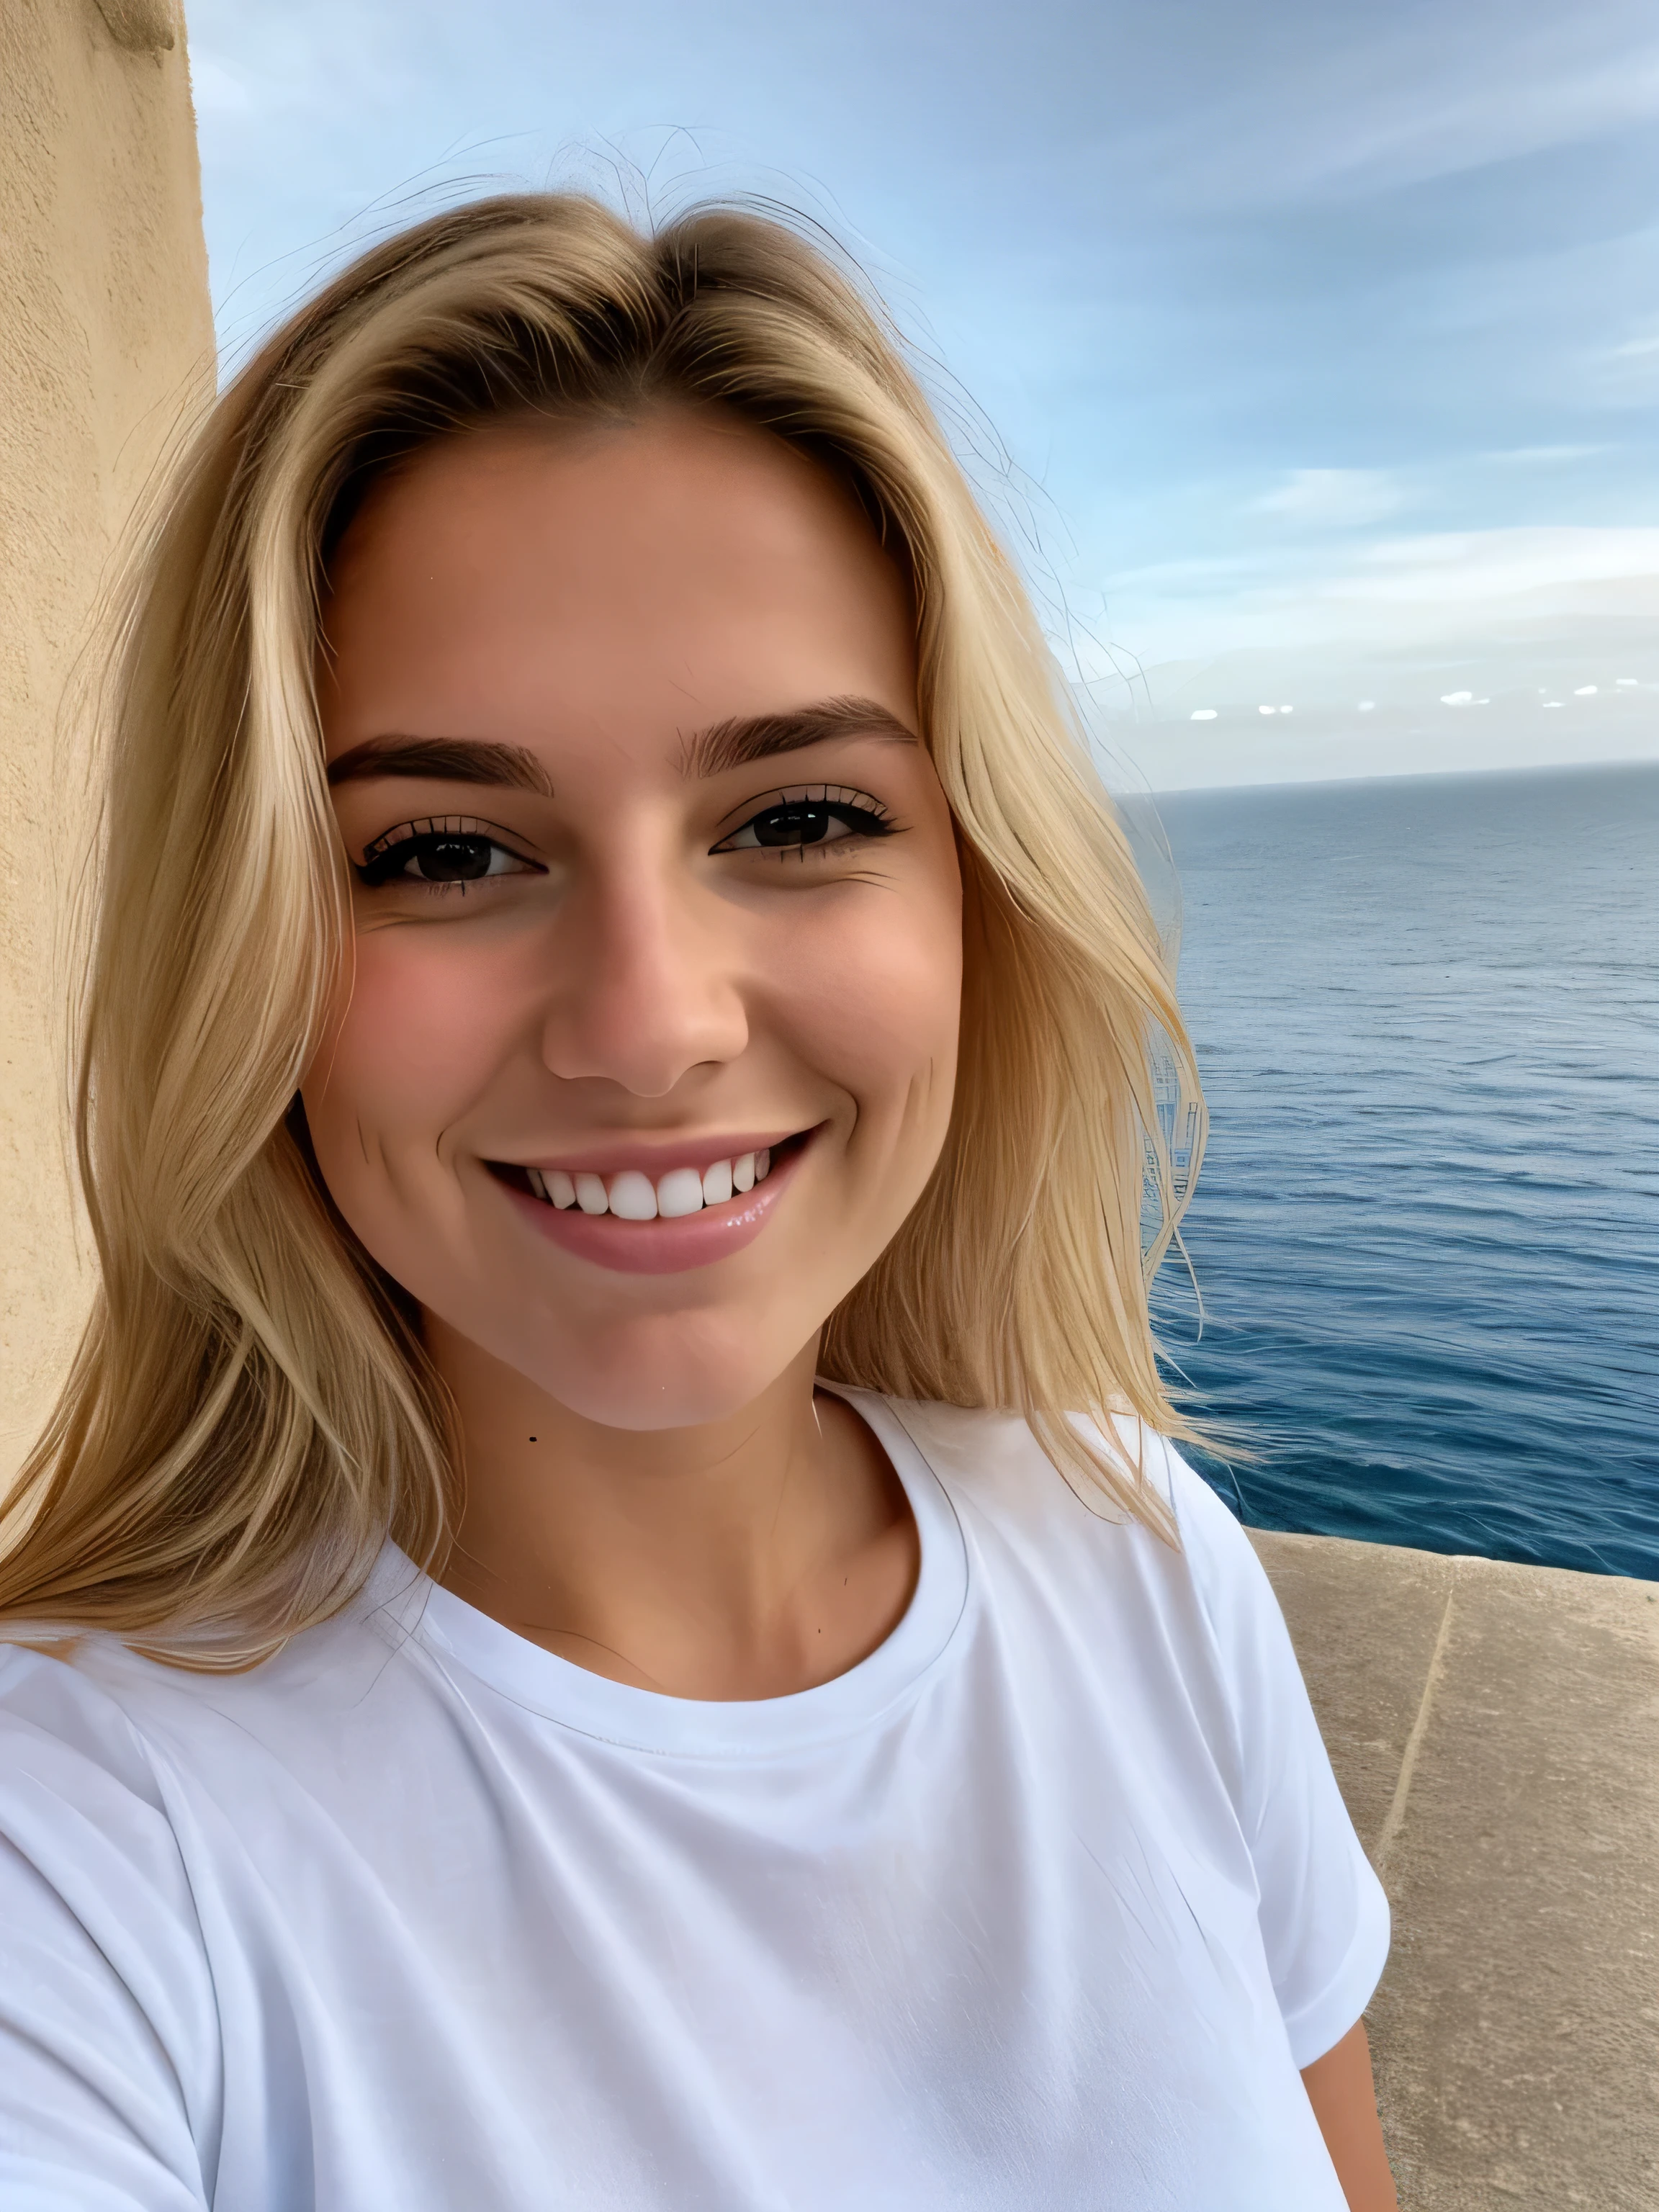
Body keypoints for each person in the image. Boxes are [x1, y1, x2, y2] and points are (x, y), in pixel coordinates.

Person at [0, 194, 1396, 2211]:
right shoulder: (79, 1840)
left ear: (981, 894)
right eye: (445, 853)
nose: (651, 1027)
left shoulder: (1144, 1563)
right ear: (248, 954)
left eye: (802, 818)